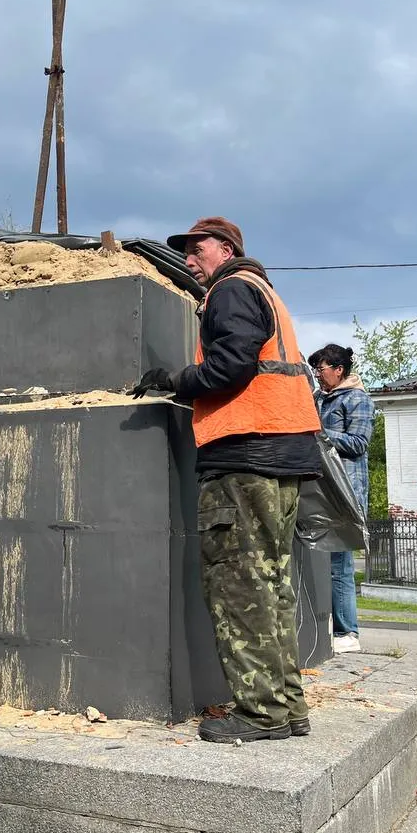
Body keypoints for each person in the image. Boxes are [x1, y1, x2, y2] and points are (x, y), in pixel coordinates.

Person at [130, 217, 322, 744]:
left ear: (227, 248)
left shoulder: (231, 290)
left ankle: (260, 713)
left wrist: (175, 381)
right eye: (186, 252)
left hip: (245, 454)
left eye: (197, 249)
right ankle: (286, 707)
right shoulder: (265, 292)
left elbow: (230, 366)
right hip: (281, 453)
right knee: (272, 585)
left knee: (239, 586)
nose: (190, 260)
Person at [308, 344, 374, 654]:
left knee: (339, 565)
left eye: (321, 370)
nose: (318, 375)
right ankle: (325, 628)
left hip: (345, 491)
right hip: (320, 488)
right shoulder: (318, 399)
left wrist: (319, 432)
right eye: (316, 371)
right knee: (317, 560)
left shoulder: (357, 399)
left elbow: (359, 443)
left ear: (339, 370)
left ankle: (348, 632)